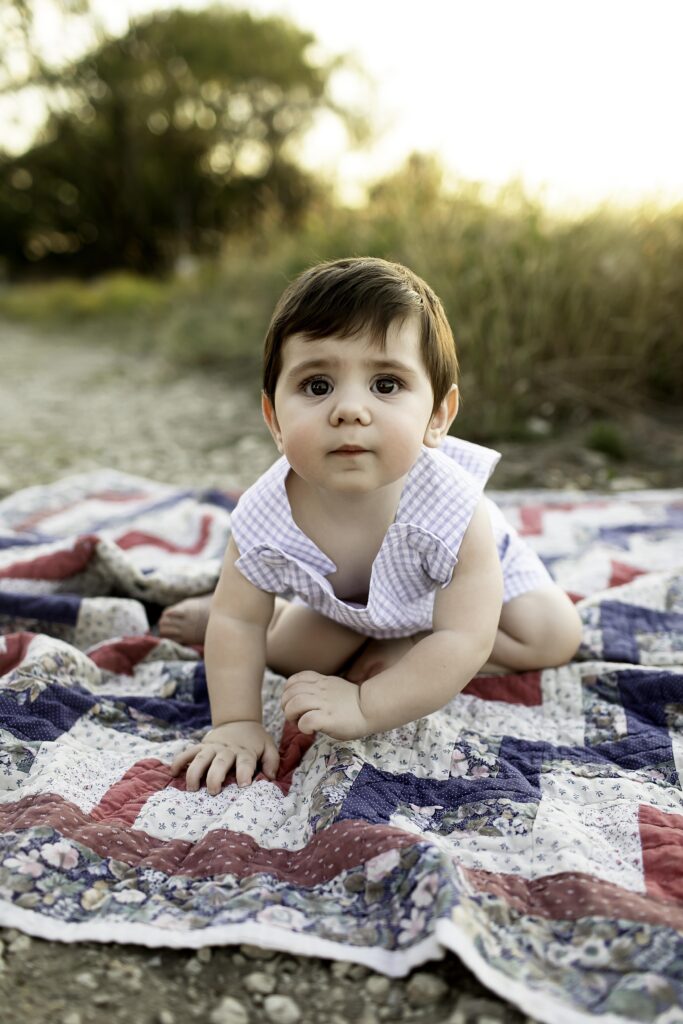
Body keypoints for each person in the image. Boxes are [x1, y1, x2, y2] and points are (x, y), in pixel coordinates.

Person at [166, 257, 582, 795]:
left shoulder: (455, 510)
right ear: (274, 420)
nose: (350, 409)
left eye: (386, 384)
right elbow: (238, 625)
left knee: (553, 635)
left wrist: (366, 704)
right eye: (317, 386)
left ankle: (410, 648)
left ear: (438, 416)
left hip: (457, 602)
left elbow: (465, 635)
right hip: (353, 605)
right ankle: (226, 609)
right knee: (285, 651)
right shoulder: (264, 515)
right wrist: (237, 723)